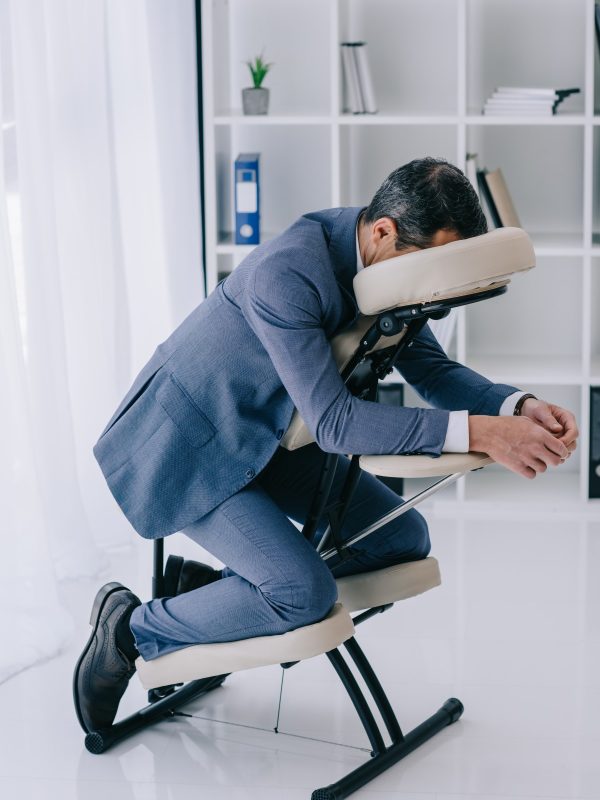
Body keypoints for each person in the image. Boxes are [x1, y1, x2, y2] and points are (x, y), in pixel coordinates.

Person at [73, 157, 578, 733]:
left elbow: (434, 371)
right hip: (191, 450)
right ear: (384, 231)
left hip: (271, 440)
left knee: (402, 537)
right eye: (433, 261)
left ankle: (211, 596)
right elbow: (336, 423)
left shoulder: (397, 270)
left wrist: (516, 407)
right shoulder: (289, 273)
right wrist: (480, 433)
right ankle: (129, 630)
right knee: (301, 593)